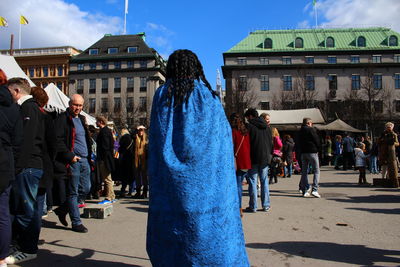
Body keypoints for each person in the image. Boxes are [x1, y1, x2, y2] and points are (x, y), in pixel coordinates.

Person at [147, 49, 249, 266]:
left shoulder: (162, 95)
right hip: (209, 188)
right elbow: (221, 144)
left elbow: (157, 138)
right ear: (196, 68)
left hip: (170, 187)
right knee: (210, 235)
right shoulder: (209, 98)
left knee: (173, 232)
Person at [6, 78, 44, 264]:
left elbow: (26, 140)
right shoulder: (32, 107)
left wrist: (18, 167)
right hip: (30, 166)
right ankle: (24, 245)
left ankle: (28, 248)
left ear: (15, 91)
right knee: (27, 209)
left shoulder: (28, 108)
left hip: (28, 166)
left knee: (26, 210)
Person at [53, 94, 92, 233]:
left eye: (80, 105)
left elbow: (86, 139)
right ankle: (76, 222)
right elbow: (58, 141)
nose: (78, 108)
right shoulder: (62, 119)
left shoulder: (82, 119)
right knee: (73, 192)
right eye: (75, 105)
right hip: (73, 161)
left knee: (86, 188)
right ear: (70, 104)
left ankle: (63, 209)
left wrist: (90, 156)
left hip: (85, 160)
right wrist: (70, 156)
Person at [0, 71, 23, 267]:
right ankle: (1, 257)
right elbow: (17, 142)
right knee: (3, 213)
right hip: (5, 163)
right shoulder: (15, 109)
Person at [245, 109, 273, 212]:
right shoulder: (267, 127)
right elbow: (271, 143)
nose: (247, 119)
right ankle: (266, 205)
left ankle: (253, 206)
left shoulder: (249, 127)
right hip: (265, 158)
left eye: (247, 117)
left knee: (253, 182)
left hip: (253, 157)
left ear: (250, 116)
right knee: (264, 181)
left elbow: (247, 144)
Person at [230, 113, 251, 218]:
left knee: (237, 186)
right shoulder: (245, 132)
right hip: (246, 162)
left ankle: (239, 208)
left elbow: (231, 147)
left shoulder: (233, 132)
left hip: (238, 162)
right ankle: (238, 207)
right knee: (239, 185)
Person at [298, 118, 321, 198]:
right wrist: (318, 148)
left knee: (304, 172)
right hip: (312, 151)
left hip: (303, 152)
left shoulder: (300, 131)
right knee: (316, 171)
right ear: (308, 123)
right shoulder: (311, 129)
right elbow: (316, 140)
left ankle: (304, 190)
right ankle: (315, 190)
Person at [96, 116, 116, 203]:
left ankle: (108, 197)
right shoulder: (108, 131)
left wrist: (102, 159)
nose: (96, 123)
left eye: (97, 121)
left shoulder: (104, 132)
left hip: (105, 159)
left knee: (107, 178)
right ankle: (112, 196)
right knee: (109, 178)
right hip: (108, 158)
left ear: (100, 122)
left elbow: (105, 146)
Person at [378, 122, 399, 187]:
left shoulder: (394, 134)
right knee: (384, 166)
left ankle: (389, 178)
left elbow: (397, 143)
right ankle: (383, 178)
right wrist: (382, 141)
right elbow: (378, 142)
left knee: (393, 166)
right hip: (384, 152)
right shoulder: (383, 134)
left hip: (392, 152)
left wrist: (393, 144)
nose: (389, 128)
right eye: (388, 127)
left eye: (390, 127)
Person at [118, 128, 134, 198]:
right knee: (131, 175)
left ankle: (123, 190)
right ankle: (131, 190)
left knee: (124, 176)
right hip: (131, 158)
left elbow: (120, 149)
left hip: (125, 159)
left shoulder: (123, 138)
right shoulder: (132, 138)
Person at [133, 125, 148, 199]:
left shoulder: (146, 140)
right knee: (137, 176)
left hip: (144, 161)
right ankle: (138, 192)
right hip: (136, 160)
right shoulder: (135, 138)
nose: (141, 131)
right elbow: (131, 135)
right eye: (139, 130)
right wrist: (136, 129)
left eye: (142, 130)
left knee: (144, 177)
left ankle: (144, 192)